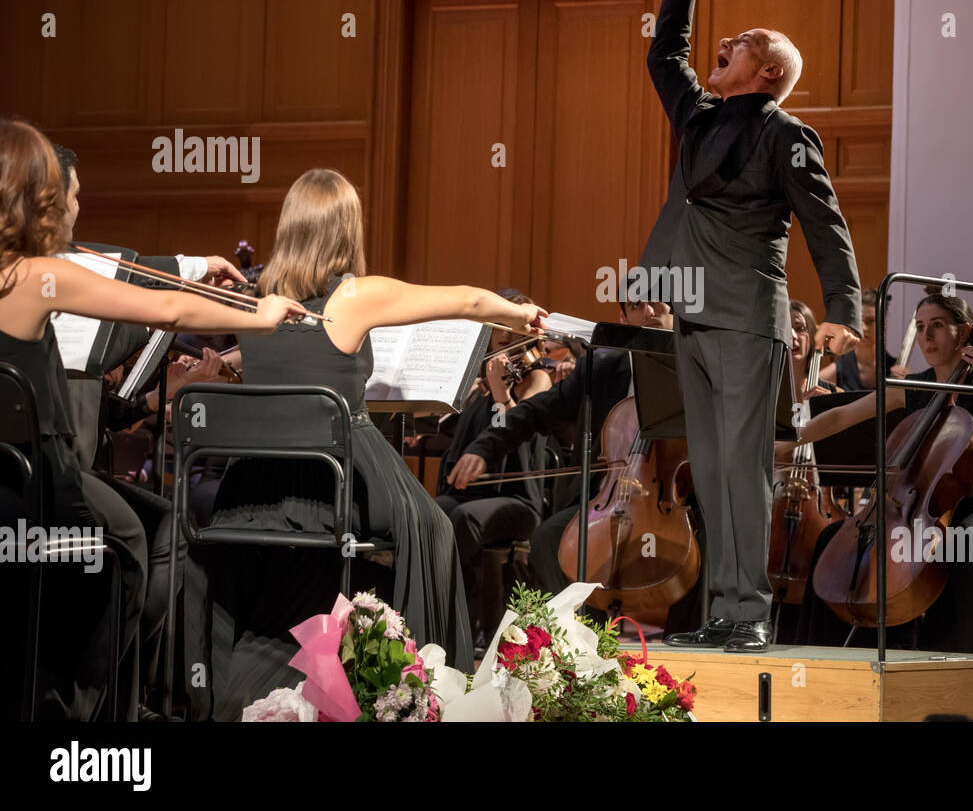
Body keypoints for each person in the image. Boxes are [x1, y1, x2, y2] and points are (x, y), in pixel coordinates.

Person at [184, 168, 545, 719]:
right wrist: (519, 313)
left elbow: (273, 365)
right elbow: (468, 303)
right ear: (344, 228)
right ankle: (427, 679)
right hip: (337, 476)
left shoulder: (262, 297)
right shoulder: (354, 296)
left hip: (259, 482)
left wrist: (225, 367)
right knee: (436, 528)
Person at [0, 118, 306, 721]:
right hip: (44, 488)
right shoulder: (33, 277)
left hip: (6, 485)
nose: (77, 204)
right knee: (136, 543)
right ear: (40, 198)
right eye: (69, 194)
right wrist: (260, 314)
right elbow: (164, 307)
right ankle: (83, 708)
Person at [640, 0, 863, 653]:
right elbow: (662, 58)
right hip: (694, 320)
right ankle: (722, 614)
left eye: (745, 43)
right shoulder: (701, 118)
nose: (726, 42)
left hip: (744, 318)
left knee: (742, 474)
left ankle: (750, 614)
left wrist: (843, 311)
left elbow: (827, 227)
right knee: (707, 474)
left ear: (768, 73)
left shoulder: (789, 135)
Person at [790, 294, 973, 652]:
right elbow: (841, 416)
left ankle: (955, 669)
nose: (926, 337)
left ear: (963, 332)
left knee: (964, 544)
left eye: (937, 326)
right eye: (920, 327)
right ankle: (829, 662)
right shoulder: (913, 386)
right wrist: (788, 442)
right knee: (831, 540)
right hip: (915, 513)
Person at [445, 300, 683, 617]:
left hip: (673, 498)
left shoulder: (693, 369)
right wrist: (483, 447)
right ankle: (574, 638)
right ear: (623, 318)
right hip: (606, 497)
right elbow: (535, 412)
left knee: (708, 541)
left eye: (658, 302)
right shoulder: (602, 365)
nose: (650, 312)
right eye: (638, 306)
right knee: (550, 538)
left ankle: (688, 639)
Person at [433, 289, 551, 642]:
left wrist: (502, 398)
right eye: (496, 323)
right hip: (471, 495)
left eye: (511, 324)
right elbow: (451, 430)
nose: (503, 332)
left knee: (464, 519)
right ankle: (435, 614)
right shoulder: (479, 380)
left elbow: (517, 433)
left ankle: (460, 630)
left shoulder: (537, 380)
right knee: (431, 513)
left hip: (519, 500)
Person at [820, 287, 908, 391]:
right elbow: (808, 391)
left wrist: (906, 384)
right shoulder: (838, 370)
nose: (864, 328)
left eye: (870, 321)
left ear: (884, 322)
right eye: (859, 321)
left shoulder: (896, 369)